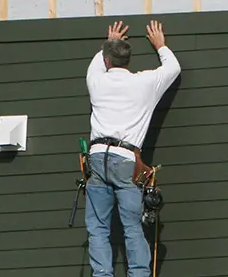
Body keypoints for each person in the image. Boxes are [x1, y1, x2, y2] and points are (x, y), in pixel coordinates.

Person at [85, 20, 181, 277]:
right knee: (132, 226)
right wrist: (161, 46)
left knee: (98, 228)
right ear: (128, 62)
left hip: (96, 158)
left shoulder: (97, 82)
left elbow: (96, 64)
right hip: (126, 158)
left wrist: (110, 41)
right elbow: (172, 68)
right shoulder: (144, 83)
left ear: (107, 61)